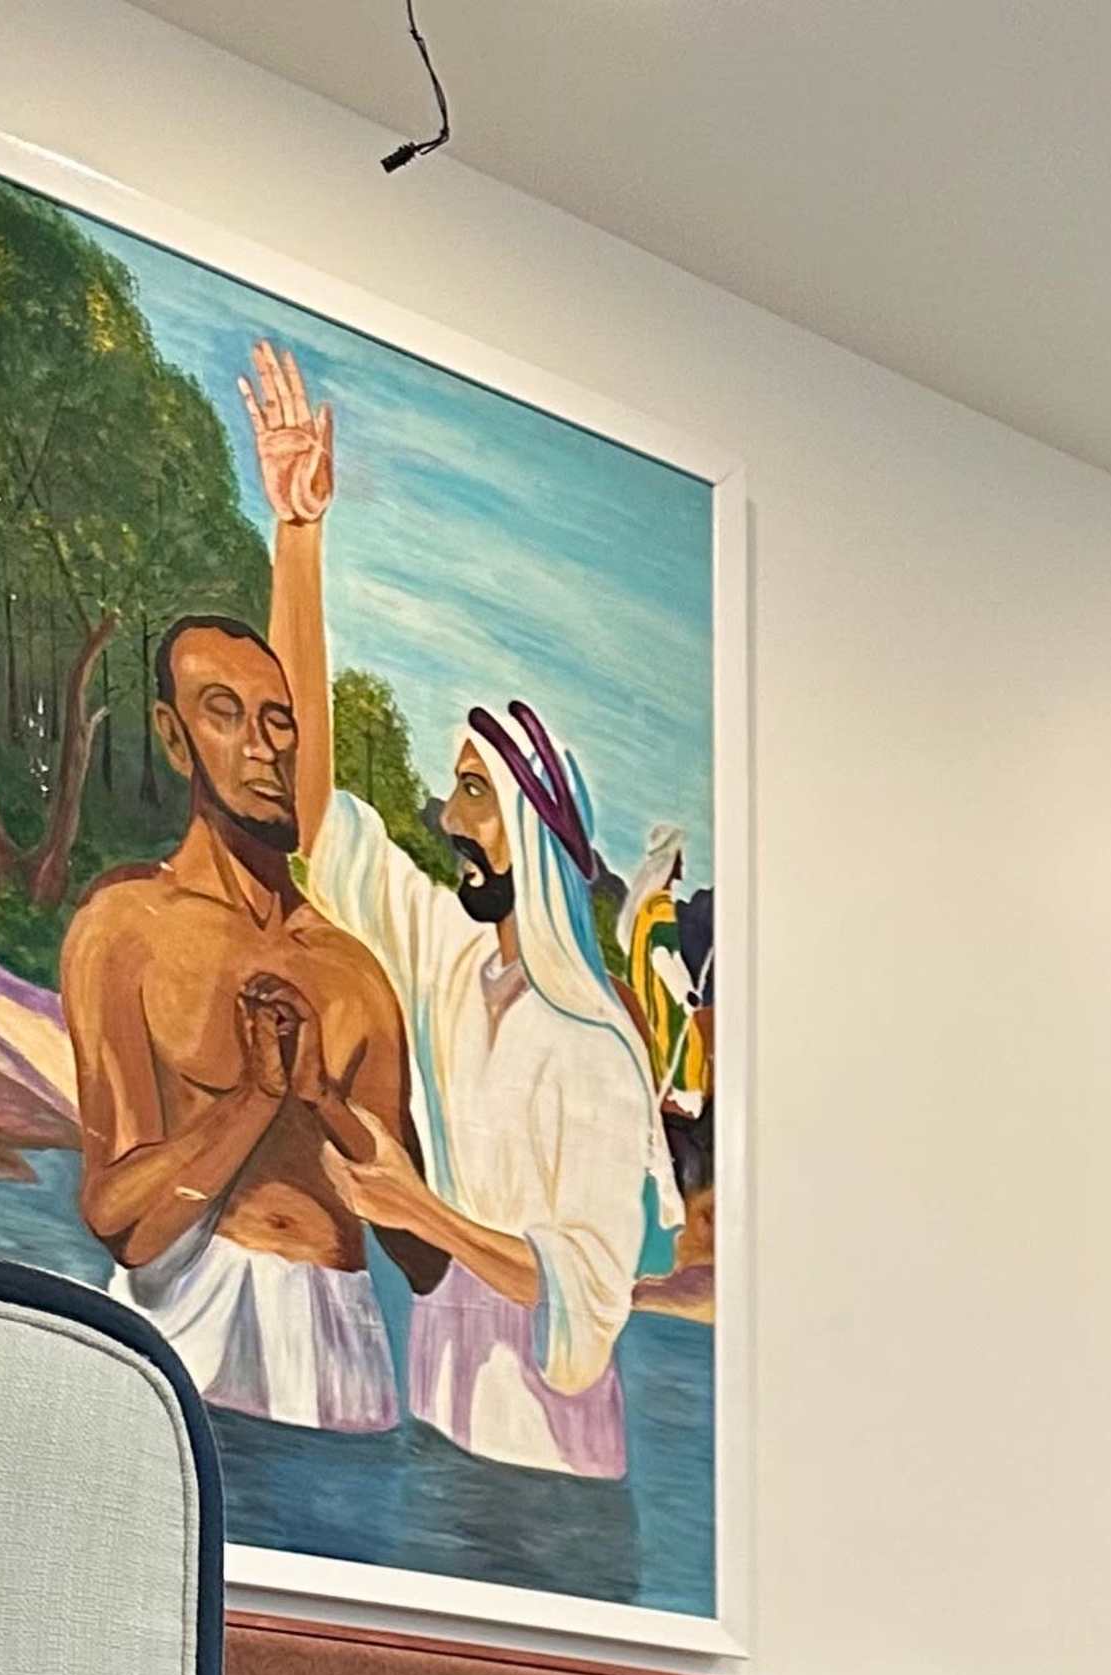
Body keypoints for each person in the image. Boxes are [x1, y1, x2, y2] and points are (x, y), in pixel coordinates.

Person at [242, 342, 680, 1477]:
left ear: (534, 834)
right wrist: (299, 540)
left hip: (552, 1461)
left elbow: (588, 1294)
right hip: (441, 1411)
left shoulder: (595, 1051)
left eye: (474, 793)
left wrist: (417, 1211)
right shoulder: (449, 959)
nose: (446, 813)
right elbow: (308, 814)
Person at [56, 612, 428, 1426]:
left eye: (279, 719)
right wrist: (256, 1099)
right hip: (178, 1340)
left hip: (343, 1363)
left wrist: (326, 1102)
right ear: (175, 736)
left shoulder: (353, 971)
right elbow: (121, 1221)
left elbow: (422, 1253)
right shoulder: (125, 928)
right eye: (224, 712)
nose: (264, 746)